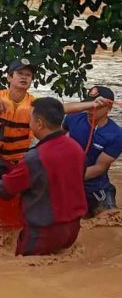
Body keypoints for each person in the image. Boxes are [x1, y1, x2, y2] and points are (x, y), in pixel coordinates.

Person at [0, 98, 87, 256]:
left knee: (24, 274)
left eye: (30, 118)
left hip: (43, 232)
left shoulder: (35, 157)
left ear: (39, 123)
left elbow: (4, 190)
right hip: (73, 229)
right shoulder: (76, 148)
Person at [62, 85, 122, 215]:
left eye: (98, 106)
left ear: (109, 108)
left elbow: (99, 168)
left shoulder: (116, 134)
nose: (91, 109)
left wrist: (69, 178)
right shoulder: (72, 118)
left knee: (110, 221)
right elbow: (58, 140)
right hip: (69, 184)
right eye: (89, 104)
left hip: (96, 189)